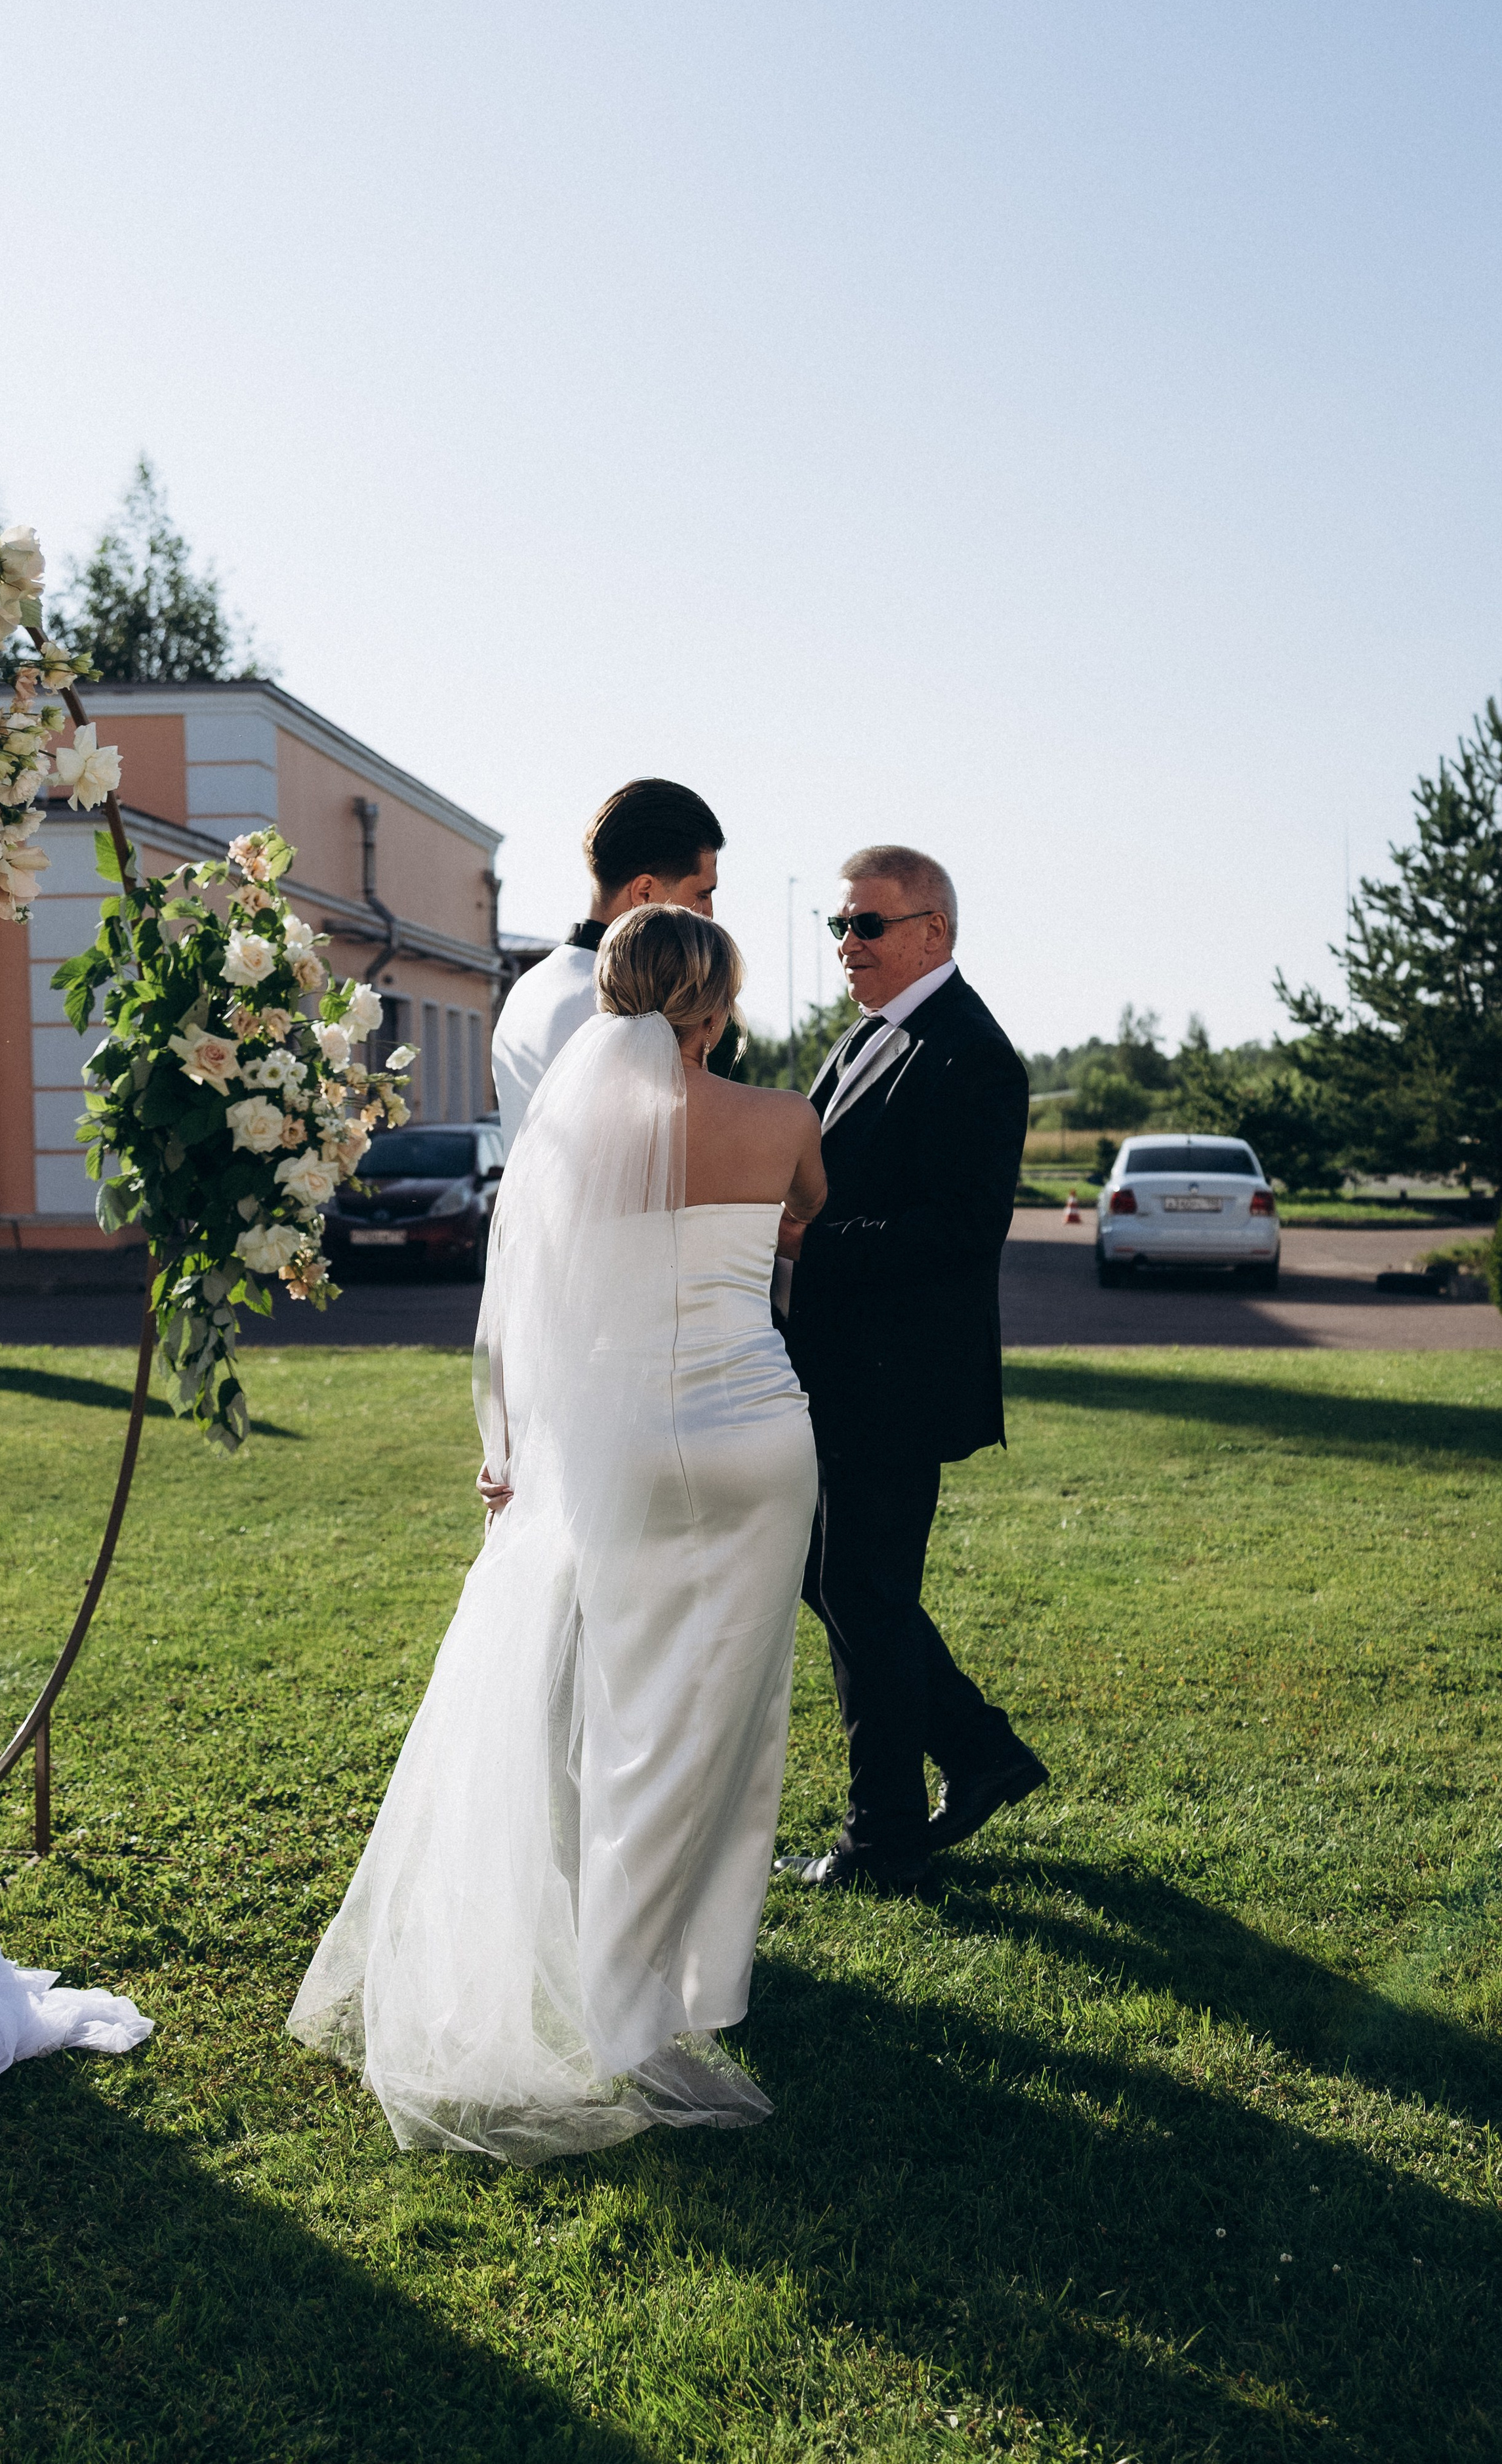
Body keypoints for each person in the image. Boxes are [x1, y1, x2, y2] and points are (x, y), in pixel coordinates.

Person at [291, 905, 825, 2162]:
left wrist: (510, 1454)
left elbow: (521, 1320)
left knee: (625, 1718)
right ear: (724, 1003)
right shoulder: (786, 1117)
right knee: (730, 1719)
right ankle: (692, 1986)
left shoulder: (563, 1144)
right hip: (760, 1442)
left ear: (612, 1001)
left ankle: (626, 1992)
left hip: (622, 1449)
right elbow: (806, 1212)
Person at [776, 844, 1047, 1895]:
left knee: (861, 1587)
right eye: (839, 927)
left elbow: (967, 1228)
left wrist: (811, 1248)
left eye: (867, 926)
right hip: (836, 1367)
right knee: (839, 1581)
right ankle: (975, 1752)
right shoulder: (862, 1039)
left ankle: (885, 1831)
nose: (847, 944)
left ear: (933, 931)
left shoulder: (971, 1053)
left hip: (898, 1377)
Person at [490, 777, 723, 1144]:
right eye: (703, 894)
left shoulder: (525, 989)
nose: (709, 914)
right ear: (645, 893)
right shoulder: (625, 1006)